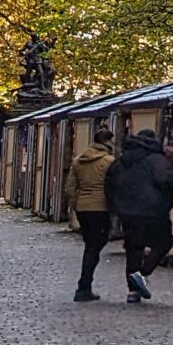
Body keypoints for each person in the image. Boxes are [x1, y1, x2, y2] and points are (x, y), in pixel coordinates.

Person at [104, 127, 173, 301]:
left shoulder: (121, 161)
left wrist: (116, 206)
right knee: (164, 243)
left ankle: (133, 292)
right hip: (154, 211)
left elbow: (109, 183)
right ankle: (143, 273)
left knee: (133, 249)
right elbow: (165, 179)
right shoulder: (156, 159)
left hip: (128, 213)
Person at [63, 122, 116, 302]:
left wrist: (77, 204)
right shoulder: (109, 161)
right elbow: (114, 185)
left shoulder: (79, 161)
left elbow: (70, 188)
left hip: (83, 208)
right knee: (94, 247)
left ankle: (85, 286)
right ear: (108, 142)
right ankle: (83, 287)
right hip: (100, 208)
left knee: (90, 245)